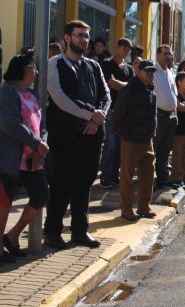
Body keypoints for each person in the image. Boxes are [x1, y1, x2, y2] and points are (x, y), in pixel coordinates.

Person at [44, 20, 110, 249]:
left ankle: (80, 231)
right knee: (62, 184)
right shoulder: (54, 64)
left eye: (86, 36)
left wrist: (97, 119)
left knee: (84, 183)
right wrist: (91, 115)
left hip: (92, 134)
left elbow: (106, 95)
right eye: (79, 35)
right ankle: (52, 232)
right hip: (66, 136)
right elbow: (60, 98)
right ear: (67, 38)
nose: (84, 40)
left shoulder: (93, 65)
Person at [0, 52, 49, 262]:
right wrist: (37, 143)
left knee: (41, 195)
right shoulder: (7, 91)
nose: (36, 72)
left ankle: (12, 236)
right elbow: (9, 123)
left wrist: (41, 145)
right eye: (33, 68)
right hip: (10, 158)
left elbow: (41, 124)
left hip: (32, 159)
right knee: (4, 202)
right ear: (21, 69)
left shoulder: (32, 94)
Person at [112, 60, 158, 222]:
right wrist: (122, 132)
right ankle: (126, 209)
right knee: (127, 176)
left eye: (152, 72)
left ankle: (144, 206)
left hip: (147, 139)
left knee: (148, 174)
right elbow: (118, 114)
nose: (150, 75)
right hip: (131, 139)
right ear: (139, 72)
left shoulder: (151, 91)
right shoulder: (128, 90)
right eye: (147, 71)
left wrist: (152, 133)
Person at [99, 38, 134, 189]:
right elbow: (109, 83)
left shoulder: (129, 69)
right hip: (111, 109)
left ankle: (114, 175)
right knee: (110, 144)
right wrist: (125, 86)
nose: (126, 51)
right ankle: (105, 176)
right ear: (117, 47)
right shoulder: (106, 64)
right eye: (124, 48)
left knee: (121, 145)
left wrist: (120, 85)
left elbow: (132, 87)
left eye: (128, 49)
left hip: (125, 112)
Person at [152, 45, 178, 189]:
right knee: (153, 149)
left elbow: (173, 94)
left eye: (170, 54)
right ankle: (148, 180)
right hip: (158, 116)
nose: (168, 56)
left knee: (165, 150)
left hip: (171, 117)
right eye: (165, 53)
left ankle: (162, 179)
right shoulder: (153, 72)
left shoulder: (171, 72)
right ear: (158, 55)